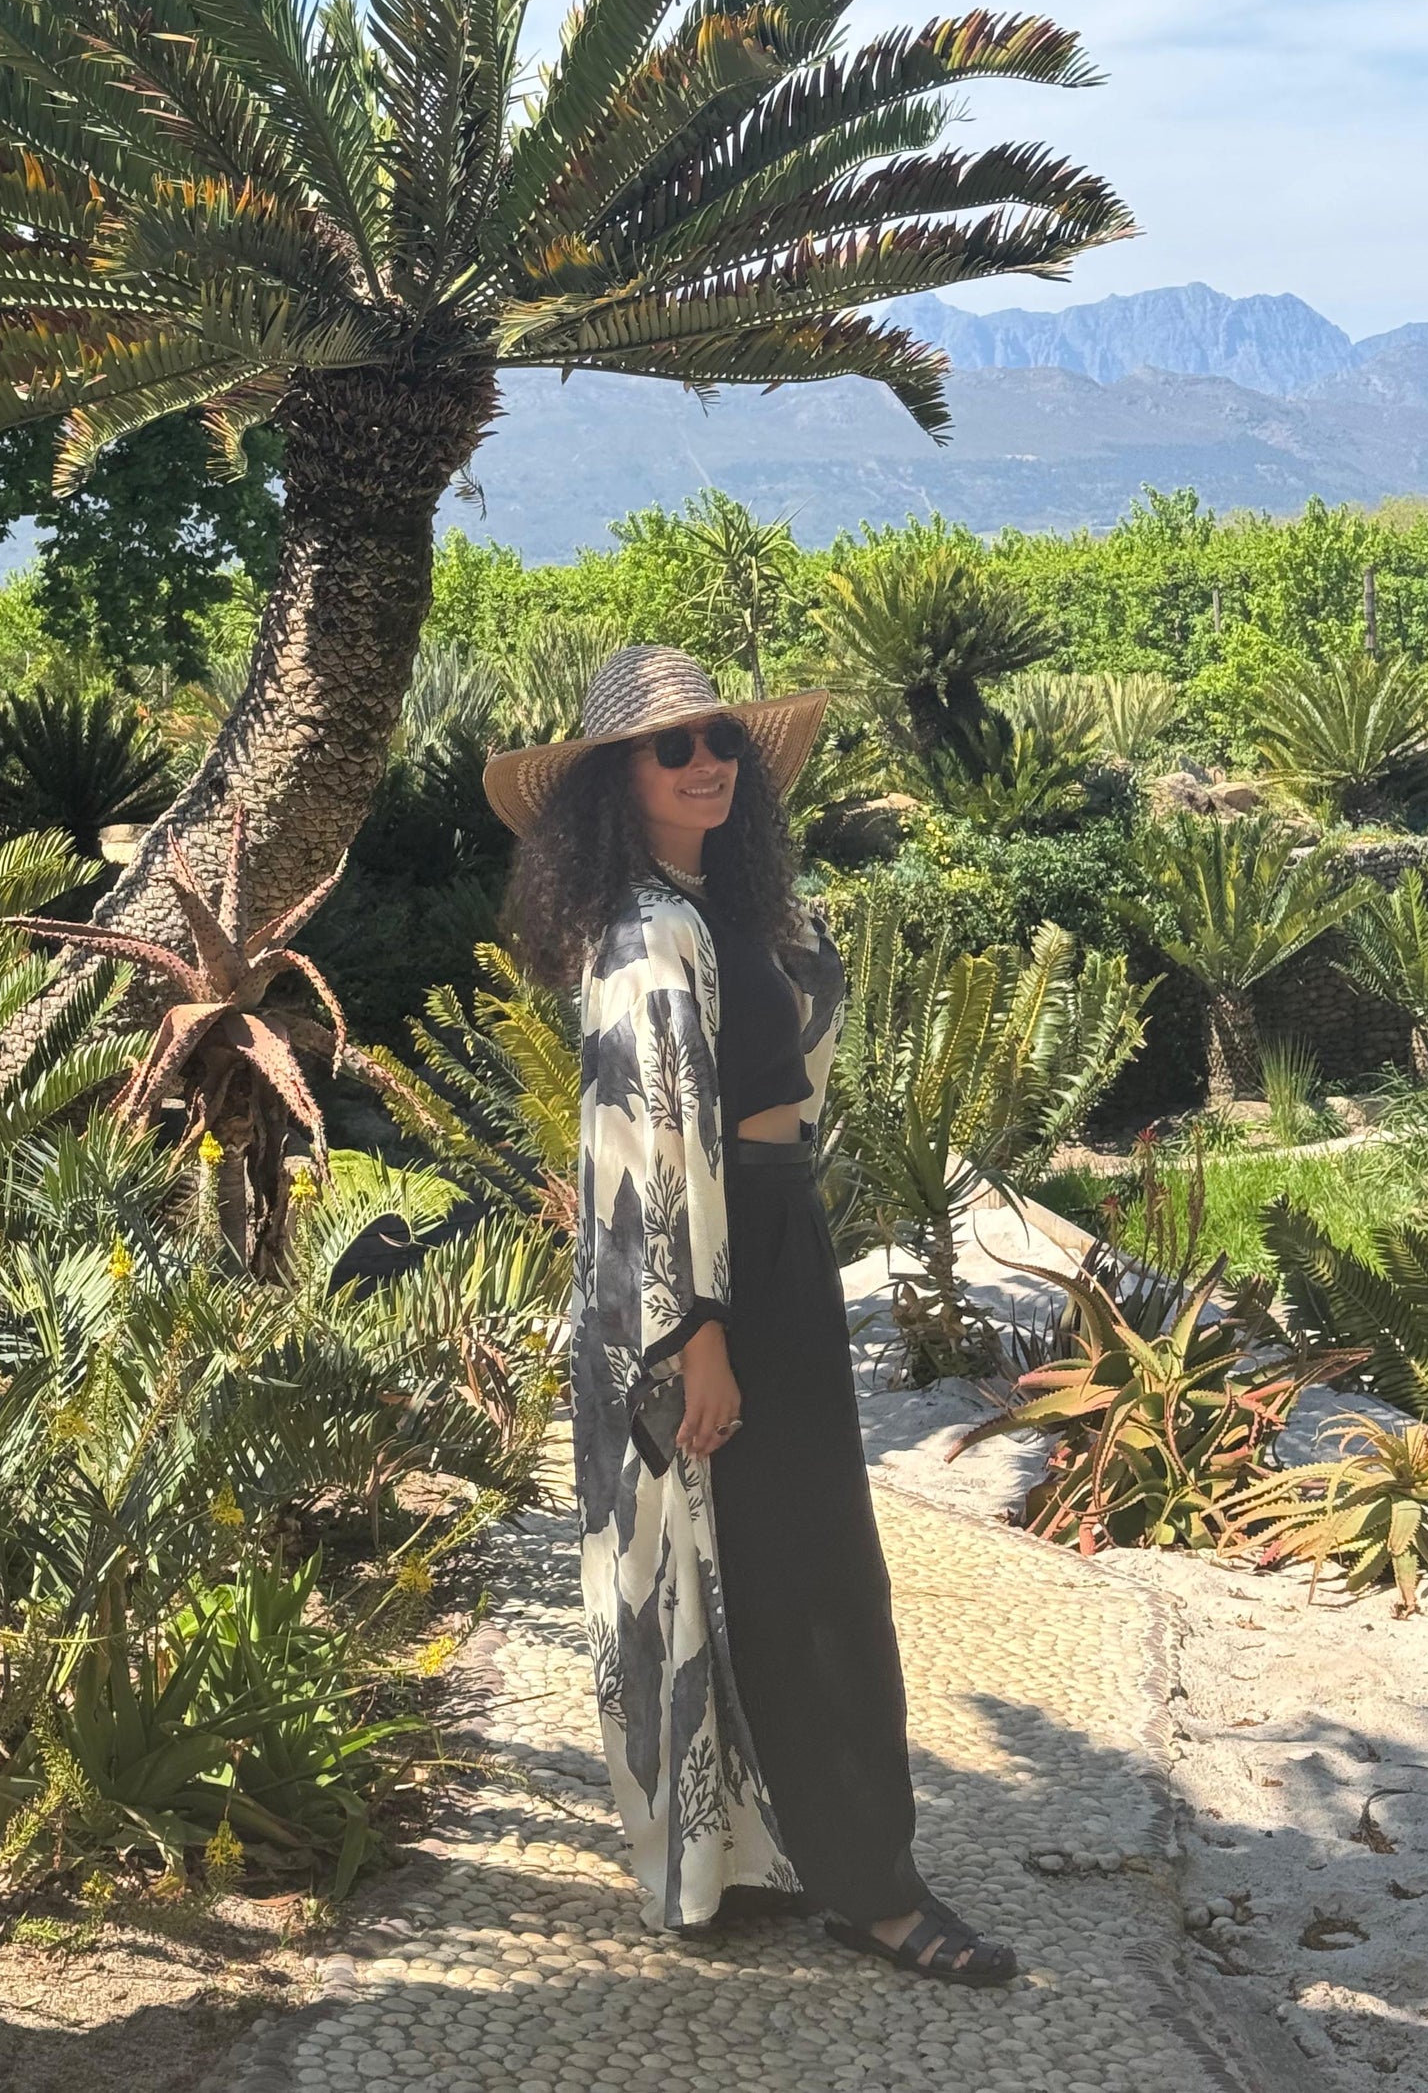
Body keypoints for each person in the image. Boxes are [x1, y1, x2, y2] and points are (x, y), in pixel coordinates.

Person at [484, 644, 1017, 1985]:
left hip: (770, 1238)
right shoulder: (645, 935)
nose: (703, 761)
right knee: (800, 1579)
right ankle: (874, 1893)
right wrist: (692, 1333)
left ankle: (767, 1854)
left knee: (786, 1568)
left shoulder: (737, 906)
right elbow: (648, 1150)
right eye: (670, 749)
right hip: (707, 1278)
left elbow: (787, 1071)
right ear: (616, 781)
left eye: (717, 738)